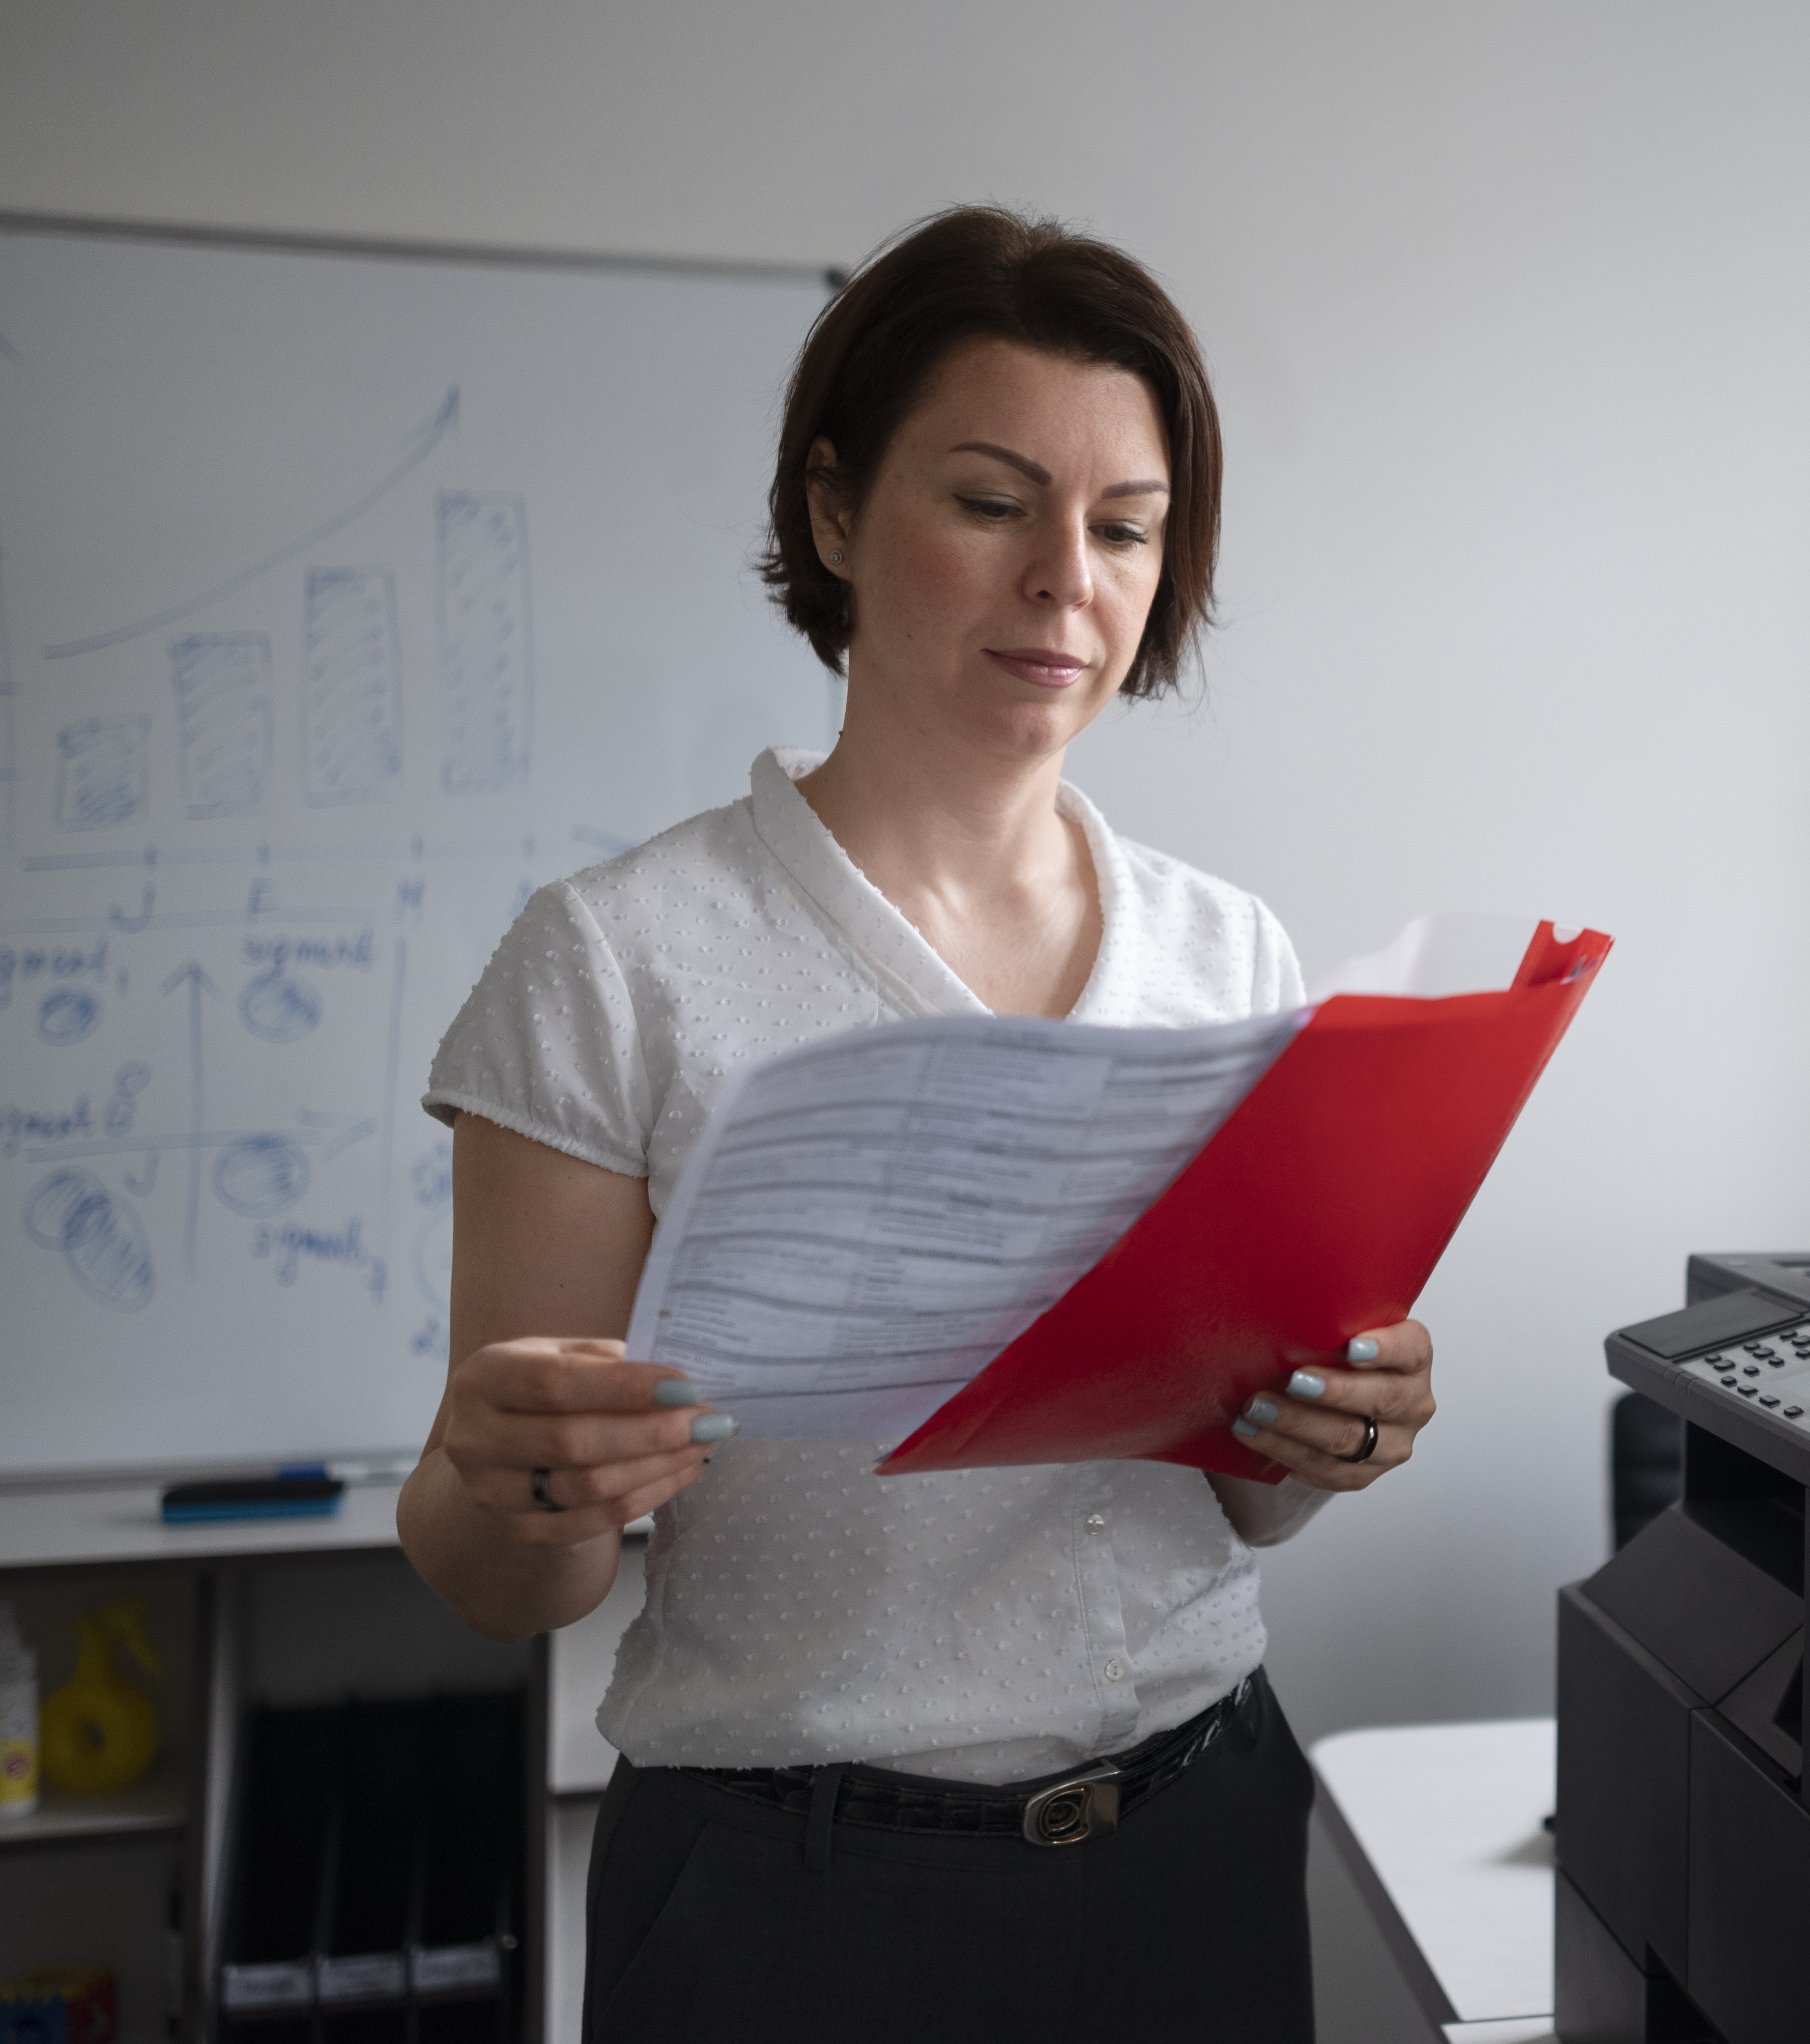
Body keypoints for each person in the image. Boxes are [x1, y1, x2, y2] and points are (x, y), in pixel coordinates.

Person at [394, 206, 1433, 2042]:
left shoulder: (1229, 951)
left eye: (1125, 528)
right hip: (792, 1901)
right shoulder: (620, 959)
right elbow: (510, 1578)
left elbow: (1247, 1516)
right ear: (830, 514)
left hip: (1199, 1838)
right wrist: (521, 1476)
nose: (1068, 581)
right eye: (989, 501)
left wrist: (1329, 1429)